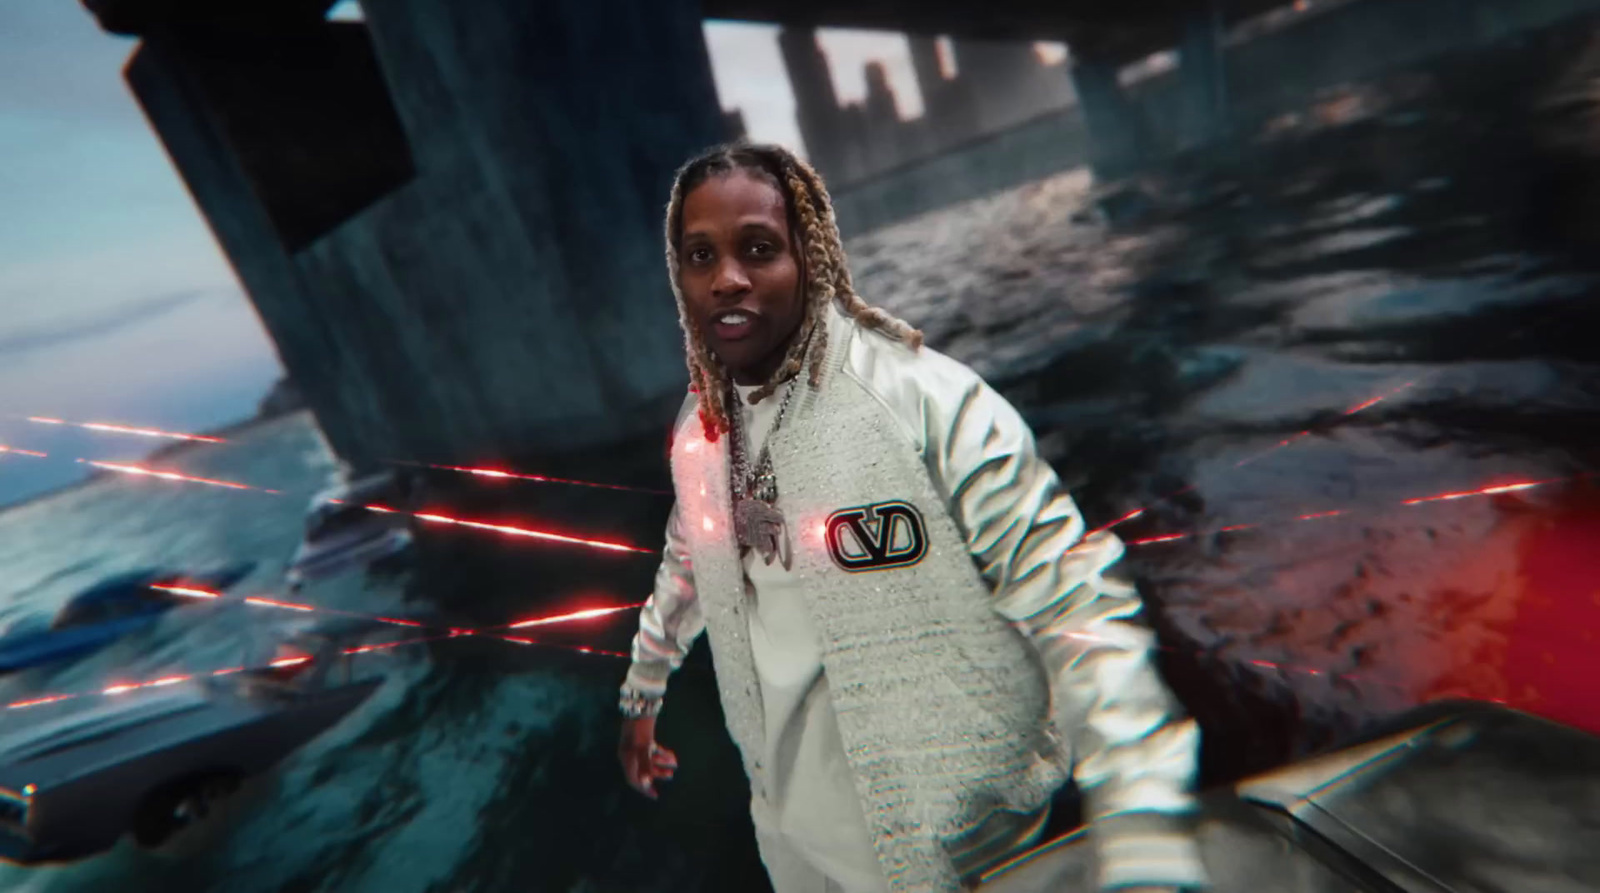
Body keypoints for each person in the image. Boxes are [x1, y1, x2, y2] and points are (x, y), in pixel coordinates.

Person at [617, 142, 1209, 893]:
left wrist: (1145, 830)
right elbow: (685, 565)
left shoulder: (921, 399)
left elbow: (1074, 596)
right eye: (701, 255)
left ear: (811, 255)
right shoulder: (698, 434)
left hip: (972, 843)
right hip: (795, 845)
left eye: (758, 248)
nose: (727, 277)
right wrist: (644, 691)